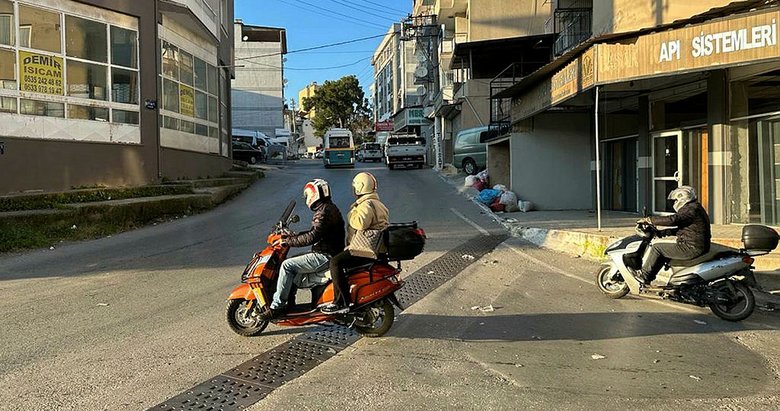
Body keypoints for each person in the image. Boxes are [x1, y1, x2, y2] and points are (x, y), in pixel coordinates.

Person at [270, 179, 345, 315]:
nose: (307, 198)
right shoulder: (327, 208)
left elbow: (312, 237)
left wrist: (288, 241)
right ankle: (290, 303)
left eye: (308, 194)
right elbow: (316, 232)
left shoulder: (324, 212)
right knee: (293, 260)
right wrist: (294, 235)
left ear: (314, 194)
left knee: (287, 265)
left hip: (325, 255)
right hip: (328, 251)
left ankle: (277, 307)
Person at [321, 172, 389, 314]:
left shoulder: (366, 204)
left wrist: (352, 212)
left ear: (360, 187)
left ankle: (342, 302)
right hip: (376, 249)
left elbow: (360, 223)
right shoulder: (378, 203)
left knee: (335, 262)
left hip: (365, 250)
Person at [636, 186, 711, 284]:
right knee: (663, 250)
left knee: (657, 248)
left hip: (691, 247)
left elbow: (673, 220)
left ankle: (644, 275)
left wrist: (649, 220)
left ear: (682, 199)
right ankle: (650, 277)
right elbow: (684, 229)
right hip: (695, 244)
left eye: (675, 200)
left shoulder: (690, 210)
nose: (674, 203)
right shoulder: (694, 207)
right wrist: (662, 233)